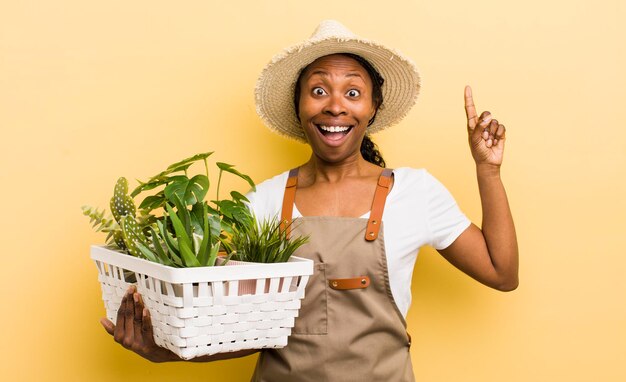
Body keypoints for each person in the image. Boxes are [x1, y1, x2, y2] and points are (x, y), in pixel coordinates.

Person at [100, 20, 518, 381]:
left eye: (353, 93)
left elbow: (502, 272)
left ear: (373, 109)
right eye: (318, 90)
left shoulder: (415, 192)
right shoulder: (261, 202)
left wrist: (488, 171)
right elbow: (239, 332)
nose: (335, 106)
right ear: (300, 106)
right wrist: (166, 351)